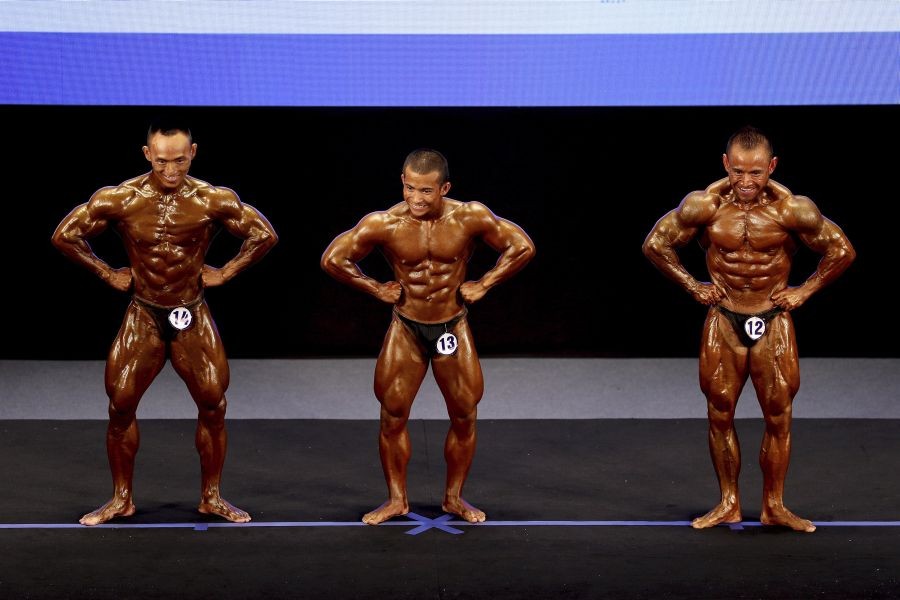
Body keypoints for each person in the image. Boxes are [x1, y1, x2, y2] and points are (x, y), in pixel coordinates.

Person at [51, 122, 278, 526]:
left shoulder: (212, 199)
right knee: (120, 405)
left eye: (178, 160)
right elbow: (65, 235)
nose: (170, 170)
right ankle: (121, 498)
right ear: (146, 154)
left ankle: (211, 497)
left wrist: (227, 271)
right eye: (160, 162)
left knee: (213, 404)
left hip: (192, 313)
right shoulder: (121, 198)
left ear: (193, 152)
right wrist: (107, 273)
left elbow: (263, 234)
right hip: (144, 313)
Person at [642, 125, 855, 532]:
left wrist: (805, 290)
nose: (745, 181)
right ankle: (728, 503)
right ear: (725, 164)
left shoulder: (793, 211)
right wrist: (692, 285)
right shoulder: (704, 207)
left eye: (755, 173)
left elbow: (841, 250)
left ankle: (774, 505)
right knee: (719, 412)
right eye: (738, 171)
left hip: (772, 319)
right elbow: (656, 244)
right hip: (724, 318)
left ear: (771, 167)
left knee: (779, 415)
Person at [321, 148, 535, 525]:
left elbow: (521, 246)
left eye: (426, 191)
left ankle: (454, 498)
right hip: (407, 327)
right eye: (409, 188)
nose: (416, 199)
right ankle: (396, 500)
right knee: (392, 415)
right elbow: (333, 258)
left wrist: (485, 283)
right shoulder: (384, 223)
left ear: (444, 188)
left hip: (452, 325)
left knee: (465, 414)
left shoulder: (469, 216)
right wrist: (375, 289)